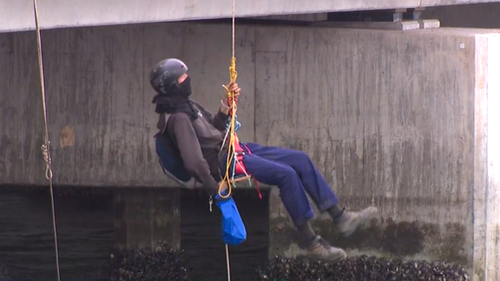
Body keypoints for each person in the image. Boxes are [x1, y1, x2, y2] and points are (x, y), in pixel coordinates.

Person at [149, 58, 378, 263]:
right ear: (172, 86)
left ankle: (340, 217)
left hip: (232, 148)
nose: (187, 80)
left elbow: (215, 128)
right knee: (286, 175)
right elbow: (193, 162)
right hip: (224, 162)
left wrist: (225, 107)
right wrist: (215, 189)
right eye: (182, 78)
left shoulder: (186, 106)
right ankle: (312, 244)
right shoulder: (177, 118)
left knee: (299, 159)